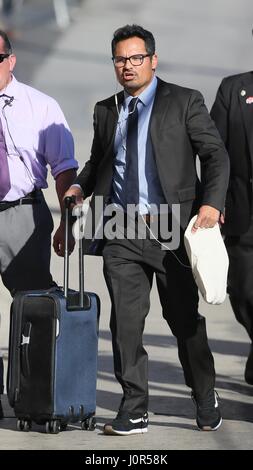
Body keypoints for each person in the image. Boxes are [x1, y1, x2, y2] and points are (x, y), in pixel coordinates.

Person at [65, 24, 229, 435]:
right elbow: (98, 159)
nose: (128, 66)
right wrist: (79, 185)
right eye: (121, 59)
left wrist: (211, 202)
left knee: (182, 319)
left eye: (137, 58)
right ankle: (134, 407)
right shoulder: (107, 109)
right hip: (121, 228)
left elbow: (214, 154)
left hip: (172, 227)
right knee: (126, 323)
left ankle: (204, 391)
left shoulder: (184, 101)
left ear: (153, 60)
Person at [0, 29, 78, 419]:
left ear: (10, 61)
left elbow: (63, 166)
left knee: (33, 308)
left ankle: (34, 395)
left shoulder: (41, 106)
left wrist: (68, 217)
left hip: (23, 214)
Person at [211, 68, 253, 386]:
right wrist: (215, 199)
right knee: (243, 291)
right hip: (243, 211)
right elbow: (215, 151)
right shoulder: (233, 89)